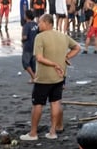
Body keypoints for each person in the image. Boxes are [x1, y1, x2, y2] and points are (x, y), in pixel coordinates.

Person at [21, 13, 81, 141]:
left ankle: (33, 133)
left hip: (44, 77)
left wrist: (54, 63)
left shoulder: (40, 37)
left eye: (40, 22)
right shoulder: (62, 36)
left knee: (38, 104)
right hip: (59, 76)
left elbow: (39, 58)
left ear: (47, 23)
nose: (38, 24)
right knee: (55, 103)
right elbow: (77, 47)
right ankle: (52, 132)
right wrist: (66, 57)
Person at [20, 9, 39, 81]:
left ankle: (34, 77)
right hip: (35, 46)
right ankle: (33, 77)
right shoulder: (36, 25)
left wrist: (22, 41)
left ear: (27, 16)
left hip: (28, 46)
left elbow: (25, 37)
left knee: (26, 63)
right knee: (33, 64)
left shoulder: (26, 26)